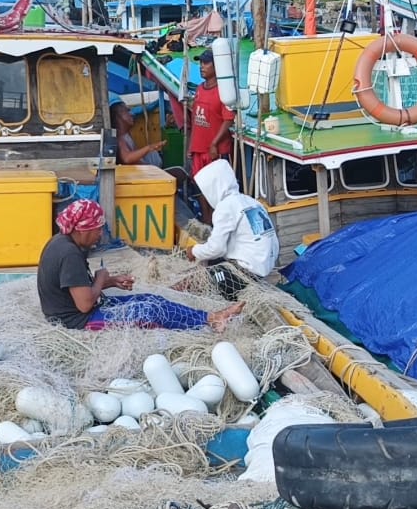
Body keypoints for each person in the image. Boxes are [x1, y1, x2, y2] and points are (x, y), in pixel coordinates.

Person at [38, 199, 245, 331]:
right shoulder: (69, 254)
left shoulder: (63, 242)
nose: (100, 234)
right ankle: (209, 321)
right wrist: (101, 278)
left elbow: (76, 288)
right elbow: (84, 304)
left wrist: (111, 281)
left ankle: (210, 317)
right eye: (97, 229)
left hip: (82, 311)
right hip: (79, 321)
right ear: (83, 229)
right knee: (150, 311)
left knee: (151, 299)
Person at [185, 159, 279, 300]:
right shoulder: (250, 201)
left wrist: (194, 251)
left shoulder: (225, 207)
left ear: (213, 187)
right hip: (265, 265)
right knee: (211, 261)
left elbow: (216, 249)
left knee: (198, 283)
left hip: (248, 271)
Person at [188, 49, 236, 225]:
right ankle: (207, 221)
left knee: (217, 190)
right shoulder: (199, 89)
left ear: (217, 66)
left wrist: (215, 143)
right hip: (199, 148)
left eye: (206, 63)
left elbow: (228, 119)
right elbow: (195, 119)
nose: (202, 66)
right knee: (201, 187)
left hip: (214, 150)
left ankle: (218, 223)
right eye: (201, 63)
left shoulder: (223, 92)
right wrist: (191, 145)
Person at [110, 100, 166, 166]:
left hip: (144, 166)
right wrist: (149, 148)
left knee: (154, 155)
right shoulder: (119, 137)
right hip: (139, 170)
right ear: (118, 116)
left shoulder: (126, 133)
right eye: (127, 111)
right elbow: (126, 158)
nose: (131, 114)